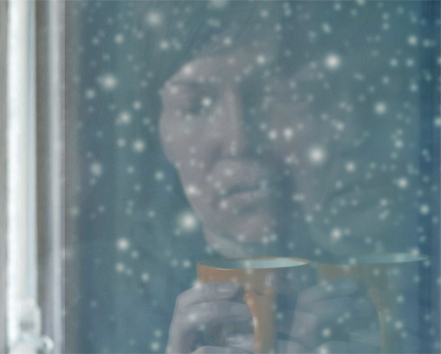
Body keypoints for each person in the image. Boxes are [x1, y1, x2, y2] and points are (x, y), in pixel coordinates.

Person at [157, 1, 427, 353]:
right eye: (194, 105)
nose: (239, 141)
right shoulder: (105, 299)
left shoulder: (391, 273)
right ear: (158, 131)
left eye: (275, 95)